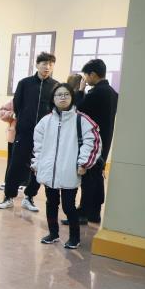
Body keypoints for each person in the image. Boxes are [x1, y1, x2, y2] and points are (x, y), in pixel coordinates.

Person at [33, 83, 101, 249]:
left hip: (70, 171)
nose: (62, 97)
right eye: (59, 95)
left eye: (66, 94)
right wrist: (37, 164)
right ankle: (53, 234)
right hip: (49, 172)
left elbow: (93, 141)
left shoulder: (81, 120)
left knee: (68, 206)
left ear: (72, 97)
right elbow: (38, 146)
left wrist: (84, 163)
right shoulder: (45, 121)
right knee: (51, 203)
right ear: (53, 98)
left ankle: (74, 237)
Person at [0, 52, 58, 211]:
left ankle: (29, 197)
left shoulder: (55, 86)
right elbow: (17, 104)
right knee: (16, 164)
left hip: (44, 135)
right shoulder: (24, 83)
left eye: (50, 64)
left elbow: (55, 109)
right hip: (24, 133)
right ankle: (8, 197)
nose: (47, 67)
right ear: (37, 65)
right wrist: (24, 121)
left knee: (38, 167)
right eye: (44, 63)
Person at [71, 59, 118, 225]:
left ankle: (83, 213)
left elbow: (77, 109)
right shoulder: (113, 93)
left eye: (86, 75)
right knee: (97, 176)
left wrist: (80, 91)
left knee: (89, 177)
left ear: (92, 74)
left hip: (93, 142)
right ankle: (94, 213)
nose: (85, 78)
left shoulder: (96, 93)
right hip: (105, 140)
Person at [0, 98, 16, 190]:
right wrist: (12, 114)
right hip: (14, 136)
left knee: (27, 162)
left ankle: (24, 183)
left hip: (29, 136)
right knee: (11, 161)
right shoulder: (15, 99)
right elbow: (1, 112)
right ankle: (7, 182)